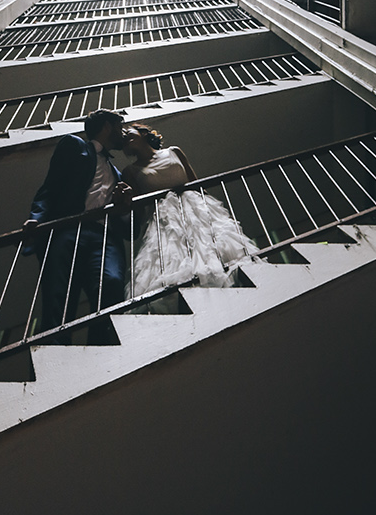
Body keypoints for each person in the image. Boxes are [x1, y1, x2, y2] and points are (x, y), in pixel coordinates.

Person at [23, 109, 132, 343]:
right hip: (69, 229)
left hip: (105, 238)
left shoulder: (119, 175)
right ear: (106, 126)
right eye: (119, 127)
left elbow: (126, 226)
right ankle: (54, 358)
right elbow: (50, 187)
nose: (122, 134)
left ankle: (101, 353)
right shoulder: (74, 145)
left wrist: (123, 207)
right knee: (58, 298)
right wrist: (37, 218)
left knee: (112, 283)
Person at [120, 124, 259, 298]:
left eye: (128, 131)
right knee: (175, 257)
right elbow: (139, 211)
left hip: (194, 207)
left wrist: (215, 213)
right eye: (122, 135)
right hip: (165, 218)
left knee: (214, 248)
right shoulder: (130, 171)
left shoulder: (174, 151)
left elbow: (197, 183)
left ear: (143, 133)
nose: (125, 135)